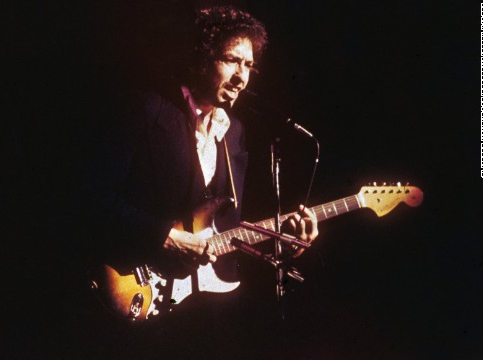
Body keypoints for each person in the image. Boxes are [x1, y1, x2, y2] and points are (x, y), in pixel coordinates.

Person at [80, 5, 319, 356]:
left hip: (196, 318)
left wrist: (284, 242)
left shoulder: (233, 133)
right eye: (231, 60)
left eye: (249, 65)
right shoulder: (149, 110)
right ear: (202, 58)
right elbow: (89, 199)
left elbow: (228, 230)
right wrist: (165, 238)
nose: (242, 76)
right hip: (131, 295)